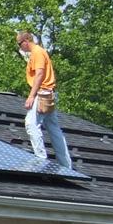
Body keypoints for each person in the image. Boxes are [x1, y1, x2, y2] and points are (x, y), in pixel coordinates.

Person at [16, 29, 73, 169]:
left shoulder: (37, 52)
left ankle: (40, 159)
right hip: (48, 94)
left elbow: (40, 74)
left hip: (42, 93)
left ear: (26, 41)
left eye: (19, 44)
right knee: (53, 128)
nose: (19, 47)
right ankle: (66, 165)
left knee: (30, 124)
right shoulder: (37, 52)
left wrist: (31, 96)